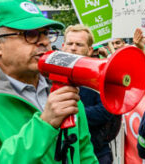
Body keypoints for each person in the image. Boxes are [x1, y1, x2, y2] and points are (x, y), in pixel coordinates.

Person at [0, 0, 98, 163]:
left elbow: (84, 153)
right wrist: (45, 125)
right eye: (30, 34)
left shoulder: (62, 85)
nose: (45, 41)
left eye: (46, 33)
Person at [62, 24, 120, 164]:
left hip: (97, 152)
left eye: (79, 44)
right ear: (63, 46)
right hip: (62, 153)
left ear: (89, 50)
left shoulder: (100, 74)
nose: (73, 48)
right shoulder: (49, 74)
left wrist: (69, 113)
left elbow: (105, 110)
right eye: (69, 43)